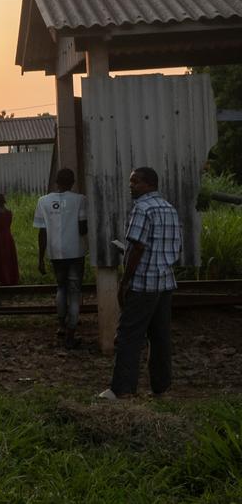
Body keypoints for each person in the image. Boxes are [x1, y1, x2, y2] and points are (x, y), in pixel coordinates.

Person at [99, 167, 182, 400]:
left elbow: (138, 247)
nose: (131, 186)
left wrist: (125, 282)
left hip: (143, 283)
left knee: (129, 335)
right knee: (160, 336)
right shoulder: (169, 208)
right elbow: (173, 246)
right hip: (165, 282)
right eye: (131, 182)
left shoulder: (142, 208)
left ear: (149, 184)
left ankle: (122, 389)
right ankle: (161, 388)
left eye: (135, 182)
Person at [34, 168, 88, 349]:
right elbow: (82, 228)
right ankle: (71, 334)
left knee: (61, 287)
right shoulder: (80, 200)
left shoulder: (43, 201)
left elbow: (42, 233)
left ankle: (61, 326)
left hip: (55, 252)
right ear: (73, 182)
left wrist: (40, 258)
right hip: (76, 251)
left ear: (56, 182)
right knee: (74, 291)